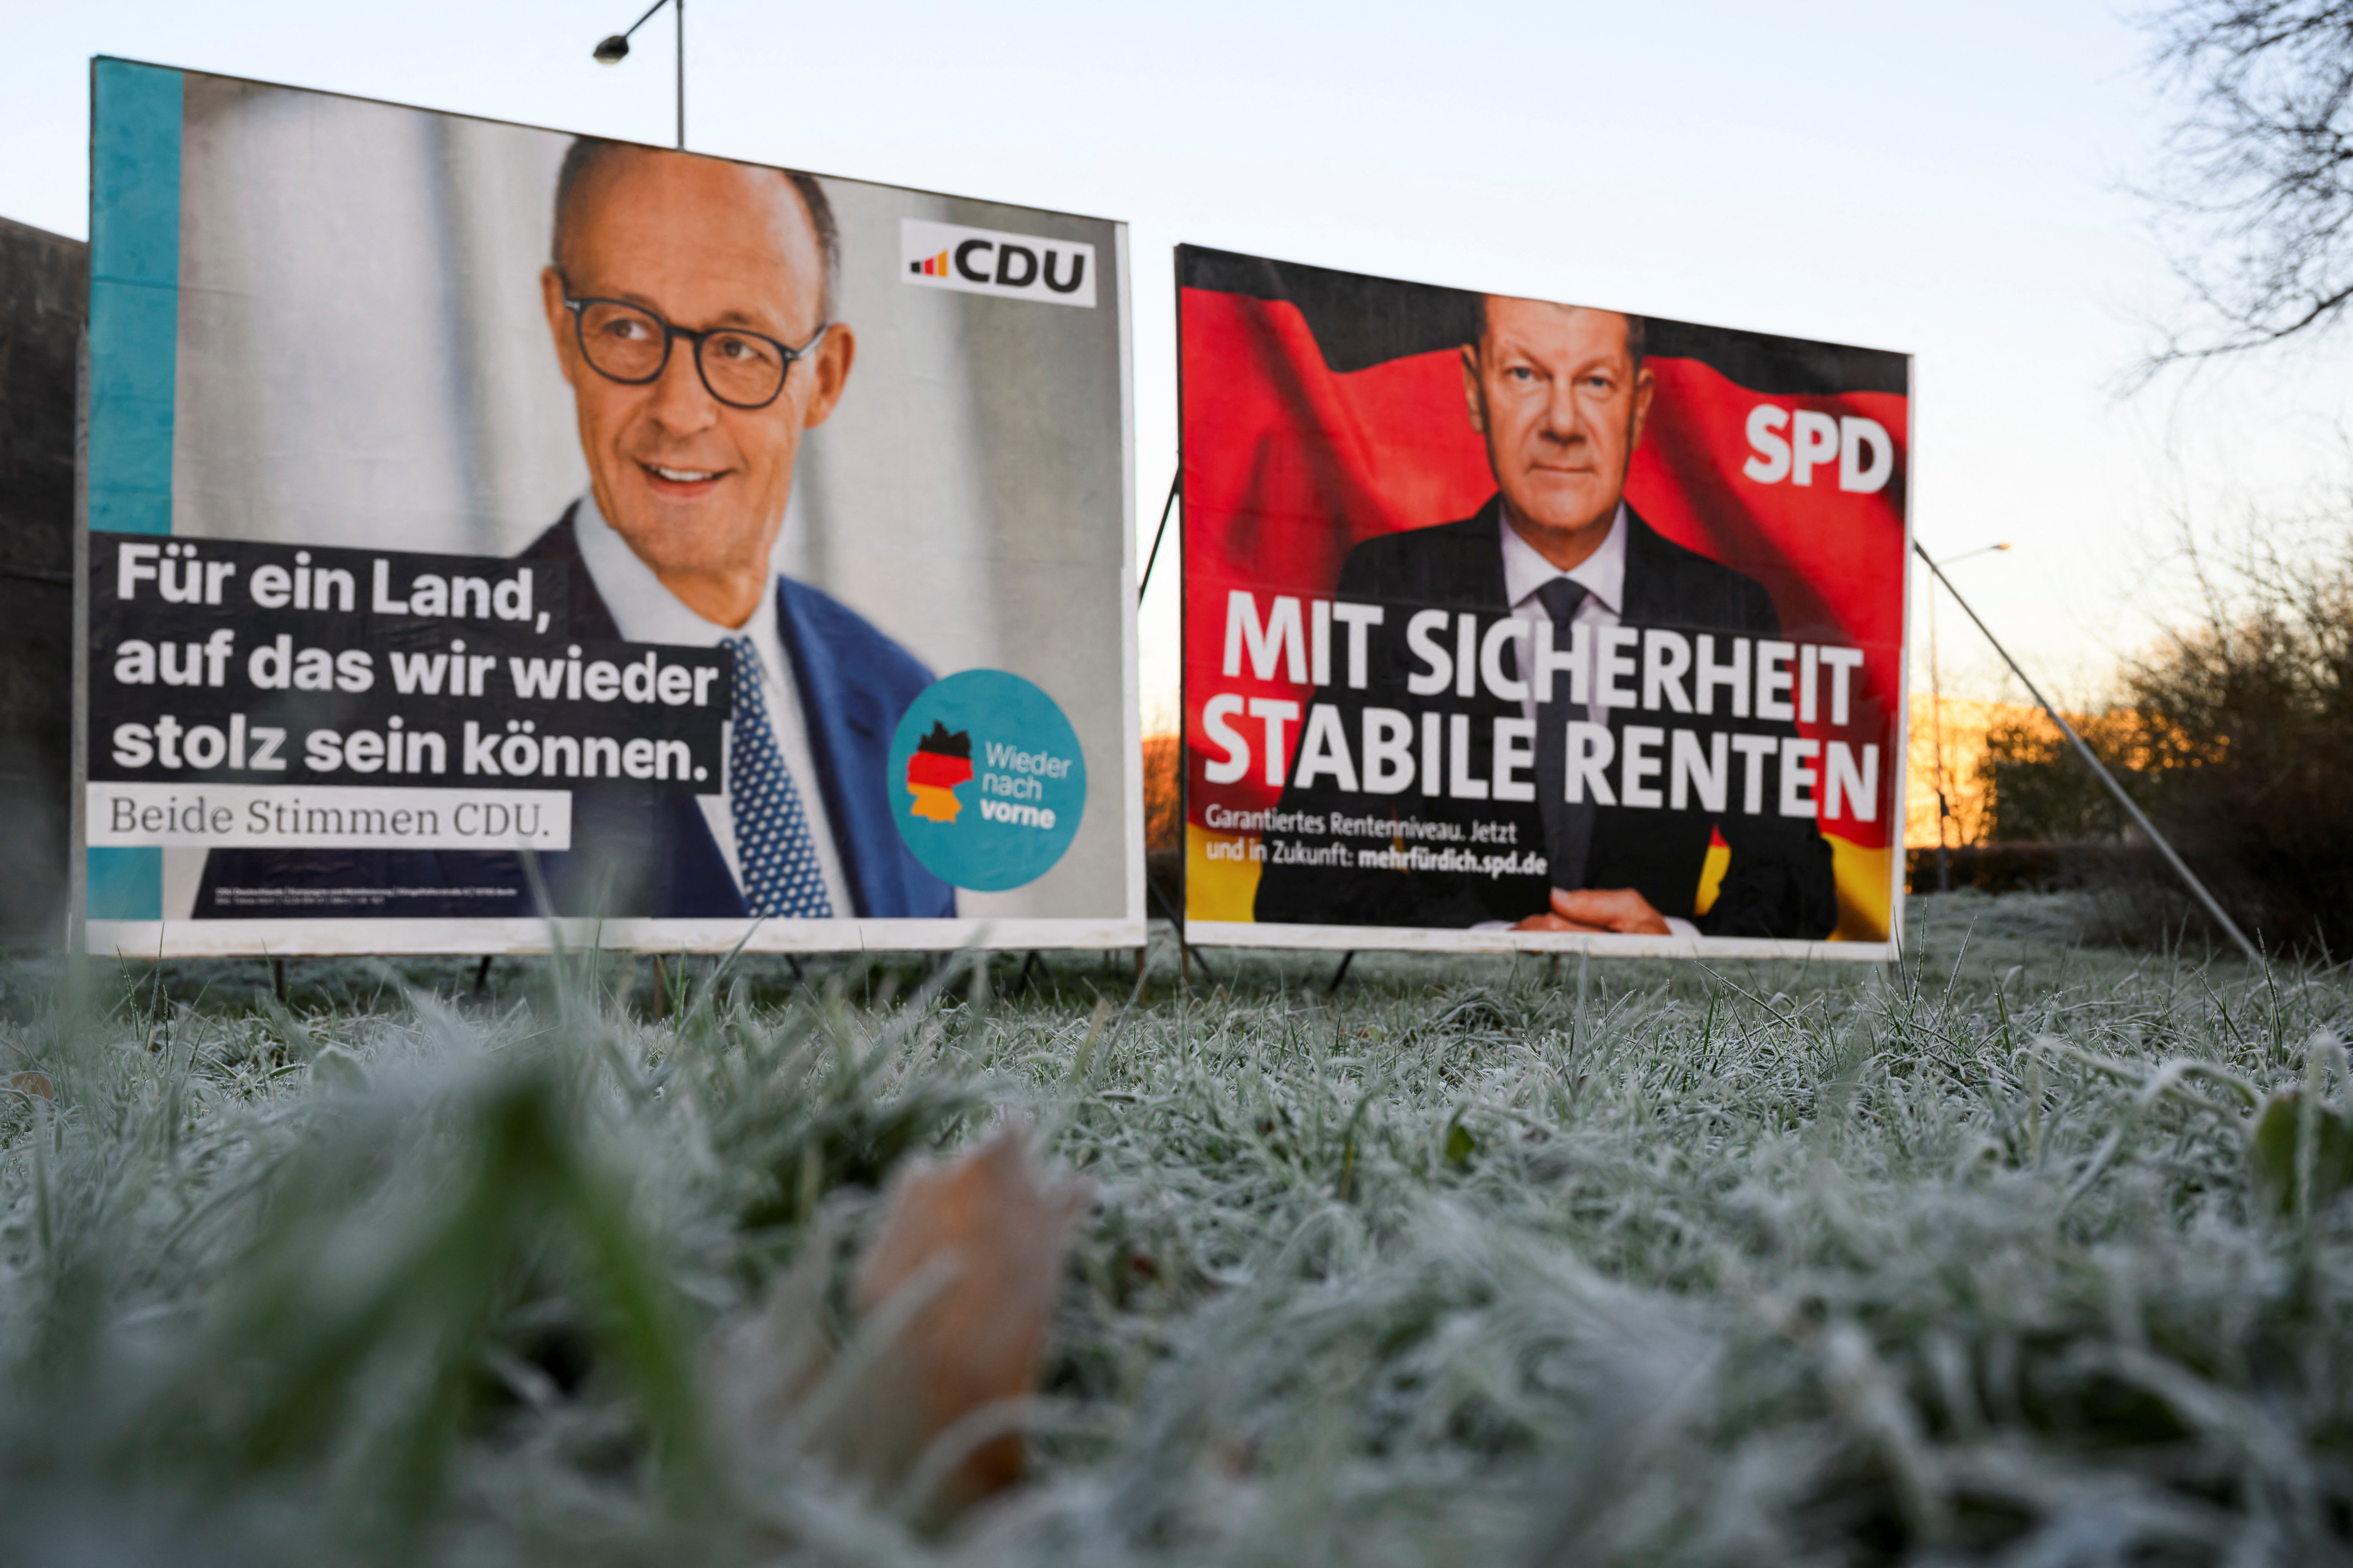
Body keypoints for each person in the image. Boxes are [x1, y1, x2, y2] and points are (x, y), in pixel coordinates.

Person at [196, 141, 952, 920]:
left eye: (738, 348)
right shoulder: (363, 743)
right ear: (562, 327)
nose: (680, 410)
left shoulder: (907, 708)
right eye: (628, 329)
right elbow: (254, 1037)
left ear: (824, 376)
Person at [1250, 296, 1836, 939]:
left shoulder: (1725, 611)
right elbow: (1301, 882)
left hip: (1657, 1022)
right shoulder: (1394, 588)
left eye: (1595, 382)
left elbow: (1801, 886)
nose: (1563, 422)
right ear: (1476, 390)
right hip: (1461, 1022)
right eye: (1525, 375)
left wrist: (1676, 947)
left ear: (1638, 406)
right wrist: (1489, 946)